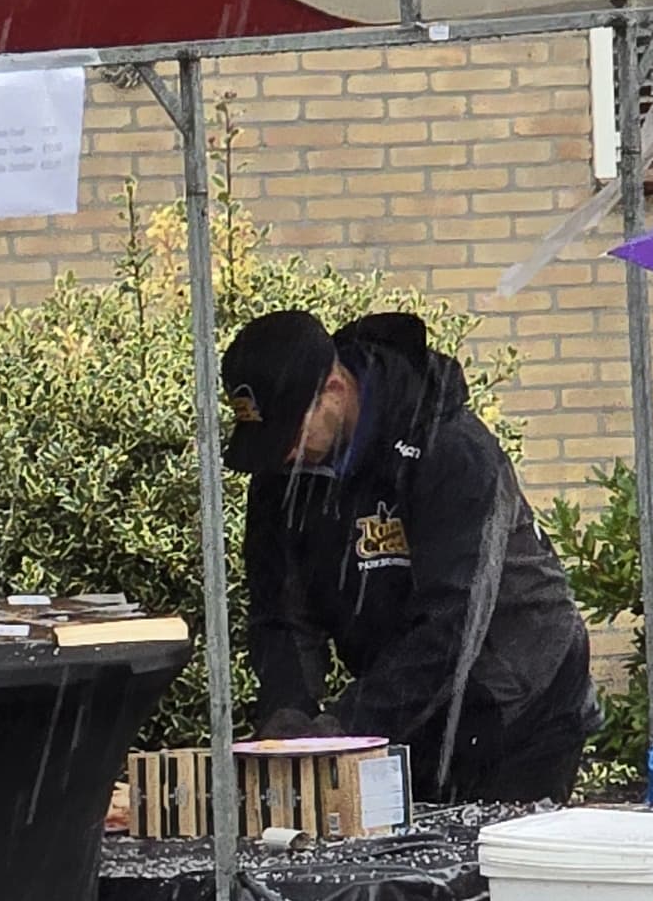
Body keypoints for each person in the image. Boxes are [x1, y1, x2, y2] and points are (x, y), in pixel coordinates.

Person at [220, 308, 596, 801]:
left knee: (493, 862)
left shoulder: (450, 449)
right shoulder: (282, 474)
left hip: (519, 694)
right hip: (408, 695)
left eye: (291, 434)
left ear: (335, 388)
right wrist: (286, 714)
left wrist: (346, 728)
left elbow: (454, 620)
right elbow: (280, 615)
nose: (284, 456)